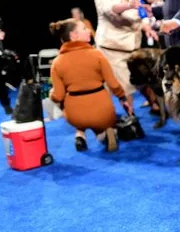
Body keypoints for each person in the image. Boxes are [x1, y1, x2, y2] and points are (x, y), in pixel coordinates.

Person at [48, 18, 132, 152]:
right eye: (84, 29)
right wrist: (123, 99)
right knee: (103, 119)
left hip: (74, 116)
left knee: (76, 110)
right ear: (74, 35)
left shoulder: (57, 63)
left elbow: (58, 96)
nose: (88, 31)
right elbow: (113, 84)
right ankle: (106, 132)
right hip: (102, 112)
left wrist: (51, 94)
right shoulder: (97, 54)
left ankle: (80, 134)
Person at [93, 0, 158, 111]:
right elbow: (112, 10)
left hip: (134, 44)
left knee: (143, 77)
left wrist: (147, 26)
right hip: (113, 47)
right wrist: (128, 5)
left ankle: (155, 104)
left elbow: (141, 12)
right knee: (125, 85)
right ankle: (131, 117)